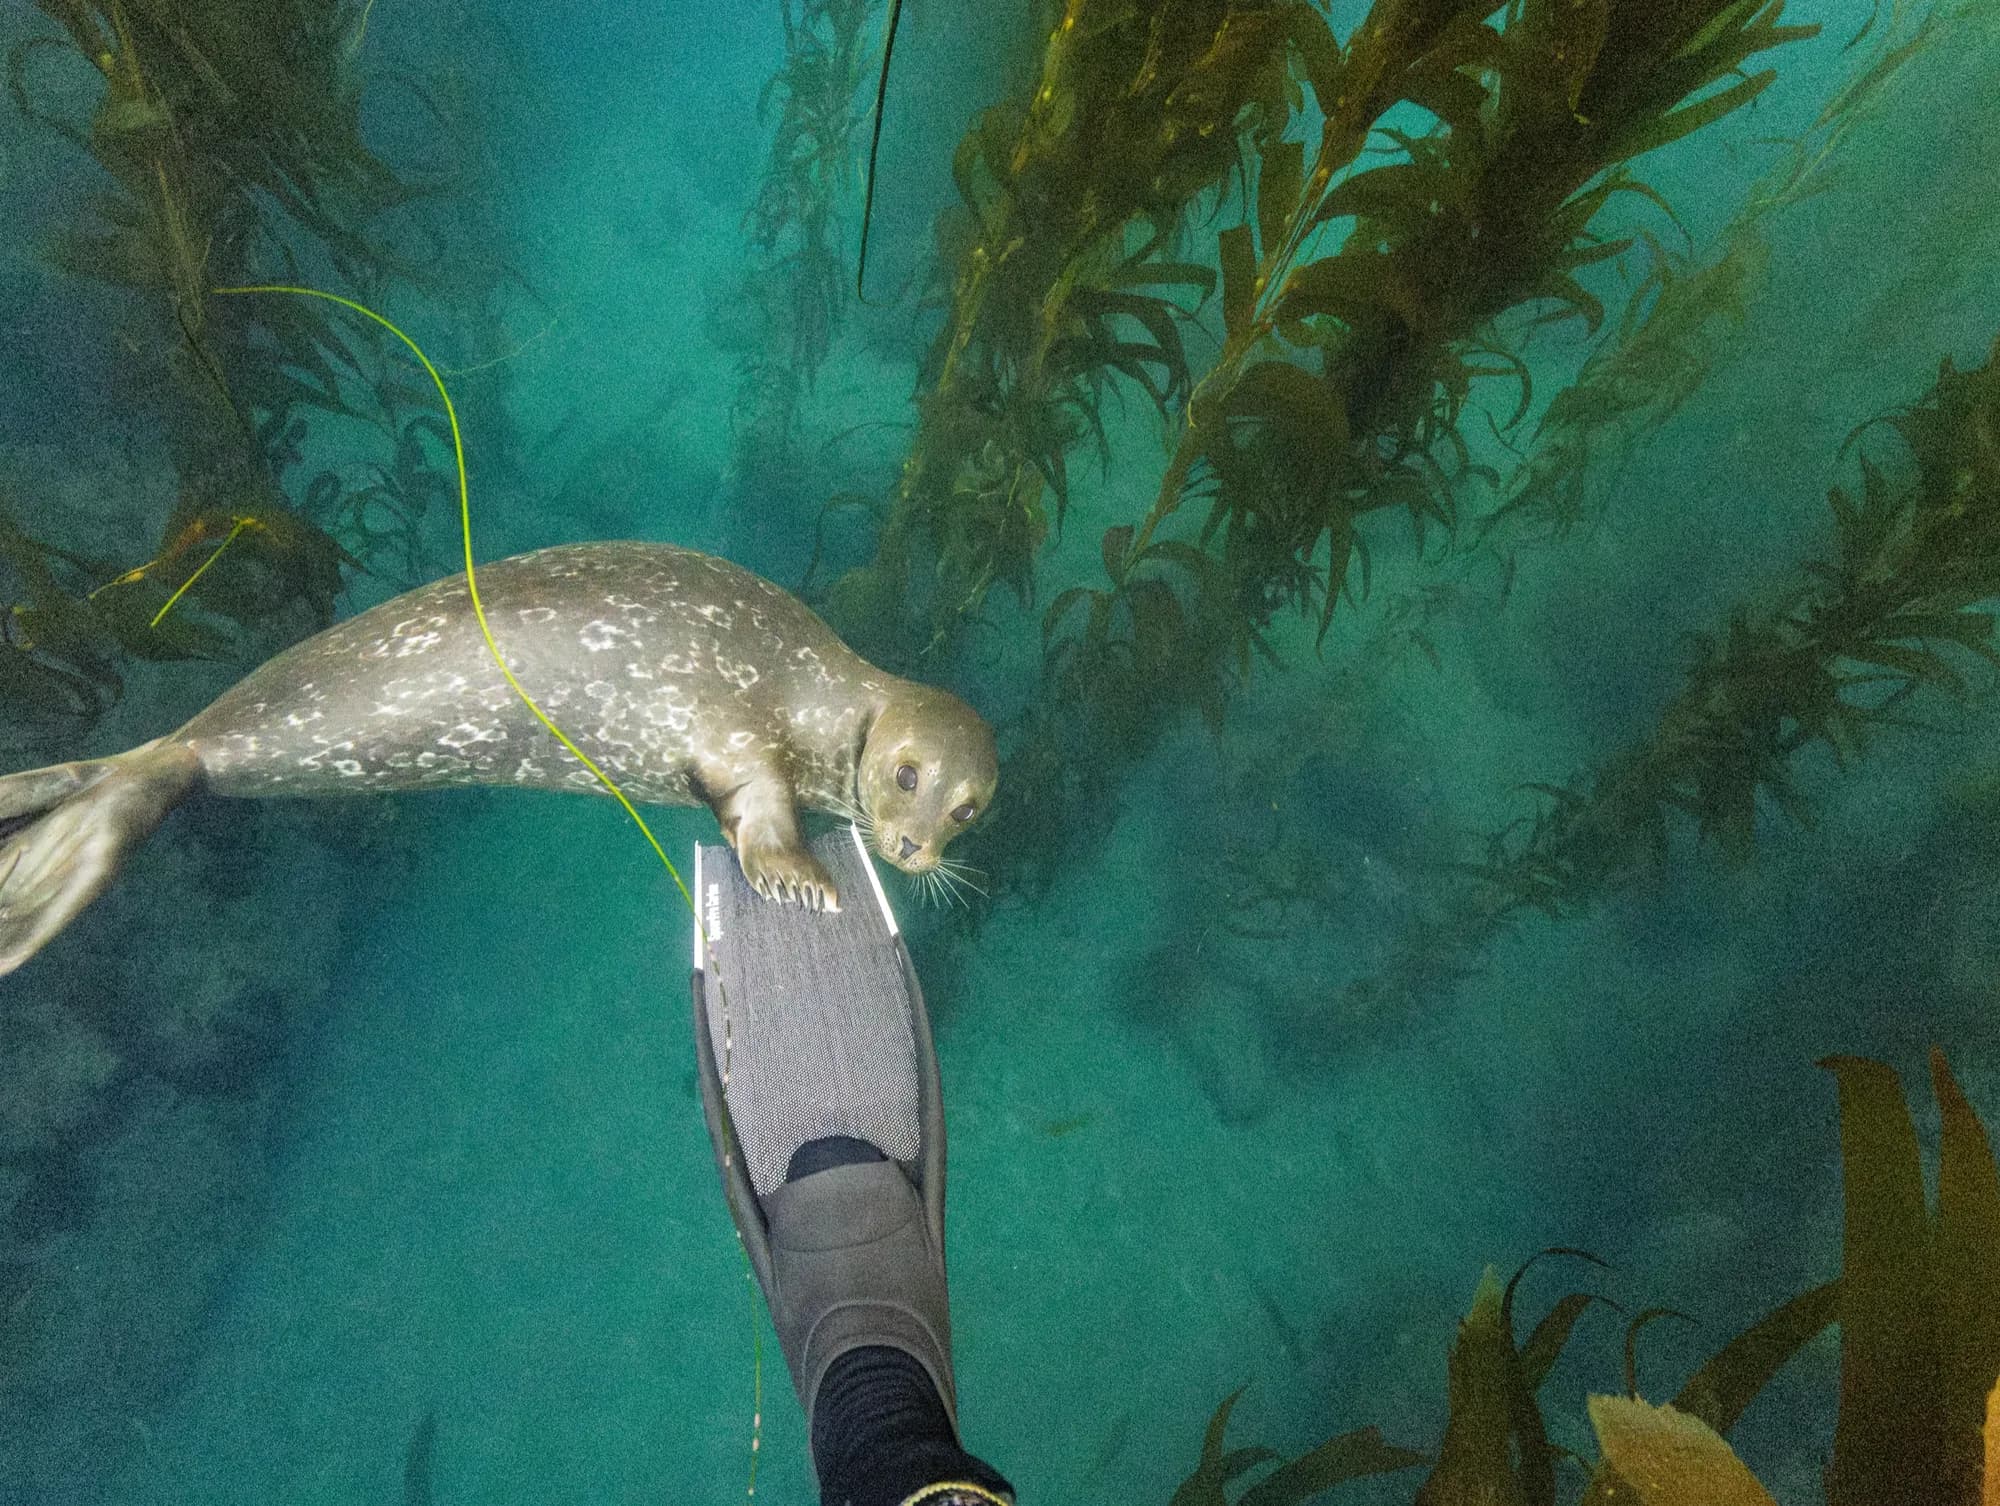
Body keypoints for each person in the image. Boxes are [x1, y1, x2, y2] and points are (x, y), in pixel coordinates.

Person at [691, 830, 1014, 1506]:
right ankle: (901, 1429)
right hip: (886, 1225)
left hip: (843, 1238)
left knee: (874, 1466)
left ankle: (867, 1420)